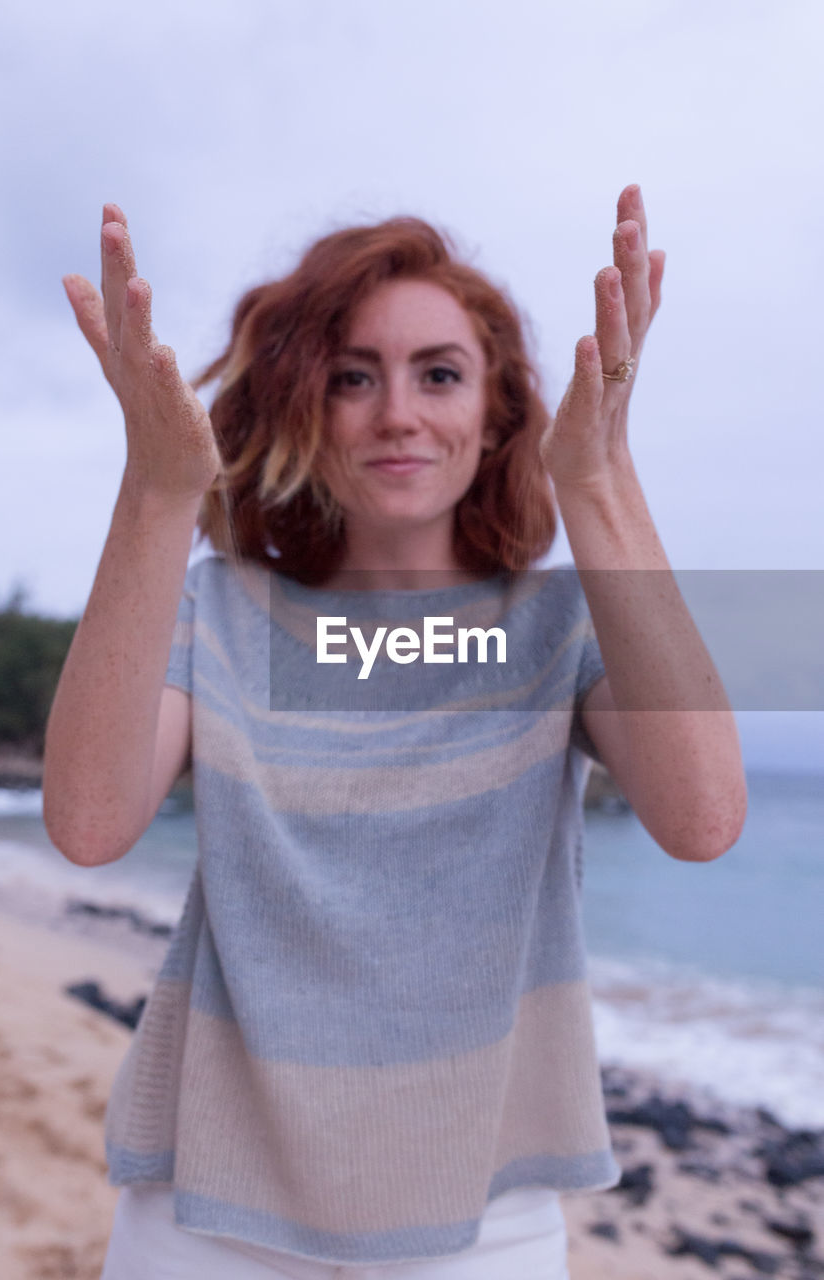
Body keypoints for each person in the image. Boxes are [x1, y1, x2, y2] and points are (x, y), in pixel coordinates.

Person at [43, 187, 747, 1280]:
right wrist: (156, 488)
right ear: (300, 403)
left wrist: (599, 478)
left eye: (439, 372)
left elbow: (703, 817)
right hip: (207, 1208)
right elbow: (88, 824)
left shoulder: (556, 625)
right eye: (351, 375)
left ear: (498, 411)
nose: (398, 413)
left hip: (485, 1213)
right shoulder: (213, 610)